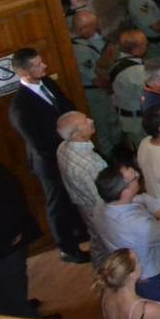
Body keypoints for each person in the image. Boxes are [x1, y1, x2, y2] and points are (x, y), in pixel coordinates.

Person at [8, 46, 89, 262]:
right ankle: (67, 248)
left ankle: (80, 231)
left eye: (41, 61)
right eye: (36, 65)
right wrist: (64, 150)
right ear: (23, 73)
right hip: (49, 160)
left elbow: (67, 108)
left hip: (69, 151)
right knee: (58, 203)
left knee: (74, 194)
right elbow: (37, 141)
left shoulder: (49, 84)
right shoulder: (20, 106)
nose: (43, 66)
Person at [93, 163, 160, 316]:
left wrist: (159, 213)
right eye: (135, 178)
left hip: (136, 273)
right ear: (124, 191)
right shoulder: (138, 226)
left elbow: (143, 198)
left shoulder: (101, 206)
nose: (138, 176)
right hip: (157, 278)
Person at [0, 159, 49, 319]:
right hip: (4, 241)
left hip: (7, 235)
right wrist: (9, 233)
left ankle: (21, 308)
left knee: (13, 283)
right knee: (11, 282)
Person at [56, 111, 108, 262]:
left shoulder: (63, 147)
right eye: (85, 121)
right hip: (98, 210)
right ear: (77, 133)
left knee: (97, 242)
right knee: (106, 244)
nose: (91, 120)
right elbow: (101, 197)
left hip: (83, 205)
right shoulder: (87, 164)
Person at [69, 10, 119, 156]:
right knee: (103, 126)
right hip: (95, 93)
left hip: (102, 90)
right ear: (83, 29)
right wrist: (113, 88)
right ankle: (110, 157)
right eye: (93, 27)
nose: (96, 30)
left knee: (111, 121)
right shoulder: (79, 50)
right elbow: (95, 78)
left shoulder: (84, 40)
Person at [110, 30, 150, 147]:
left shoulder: (116, 62)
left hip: (125, 117)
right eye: (145, 44)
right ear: (136, 49)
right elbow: (149, 95)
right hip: (138, 121)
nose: (147, 46)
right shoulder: (137, 72)